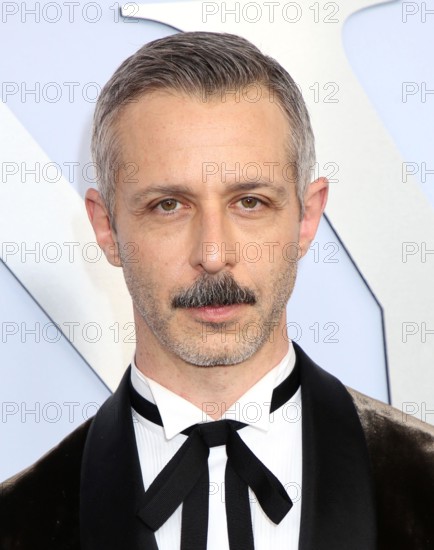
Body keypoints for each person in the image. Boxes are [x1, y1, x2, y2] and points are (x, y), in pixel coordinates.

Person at [1, 31, 434, 550]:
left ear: (307, 217)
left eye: (249, 202)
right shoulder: (17, 522)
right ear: (106, 227)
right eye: (168, 205)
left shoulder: (424, 486)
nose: (212, 253)